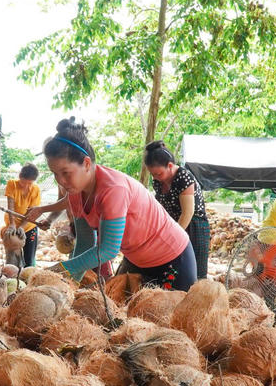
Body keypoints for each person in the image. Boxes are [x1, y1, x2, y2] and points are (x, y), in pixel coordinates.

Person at [25, 118, 196, 291]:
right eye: (55, 174)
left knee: (168, 316)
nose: (61, 181)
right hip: (136, 260)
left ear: (86, 163)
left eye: (66, 173)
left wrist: (61, 270)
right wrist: (70, 285)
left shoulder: (113, 189)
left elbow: (108, 250)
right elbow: (85, 242)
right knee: (124, 313)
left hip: (172, 257)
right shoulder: (75, 193)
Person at [142, 140, 211, 280]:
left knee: (194, 275)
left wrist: (174, 236)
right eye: (152, 174)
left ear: (170, 166)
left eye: (159, 173)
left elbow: (188, 213)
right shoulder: (157, 181)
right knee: (171, 273)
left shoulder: (184, 177)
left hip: (193, 227)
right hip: (172, 226)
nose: (155, 178)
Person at [4, 163, 42, 268]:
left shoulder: (36, 190)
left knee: (29, 259)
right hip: (12, 226)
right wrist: (12, 224)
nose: (26, 186)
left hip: (29, 226)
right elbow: (10, 205)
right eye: (23, 183)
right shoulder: (12, 184)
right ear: (20, 176)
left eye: (29, 183)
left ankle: (27, 279)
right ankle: (12, 279)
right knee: (12, 259)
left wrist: (22, 227)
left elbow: (32, 212)